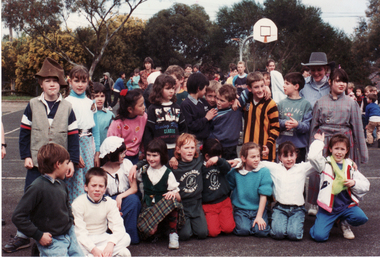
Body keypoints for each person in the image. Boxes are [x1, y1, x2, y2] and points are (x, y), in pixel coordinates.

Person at [3, 57, 80, 253]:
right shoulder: (32, 104)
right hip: (36, 164)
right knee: (30, 197)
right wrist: (26, 155)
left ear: (61, 84)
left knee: (56, 200)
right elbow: (24, 133)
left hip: (58, 165)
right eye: (47, 80)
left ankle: (53, 237)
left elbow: (73, 137)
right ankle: (23, 236)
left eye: (55, 80)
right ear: (41, 84)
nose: (51, 84)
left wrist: (70, 160)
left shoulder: (68, 107)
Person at [309, 68, 368, 223]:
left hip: (345, 142)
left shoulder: (351, 103)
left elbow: (358, 129)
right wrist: (313, 146)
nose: (341, 84)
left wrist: (363, 154)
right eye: (338, 81)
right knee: (323, 174)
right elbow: (313, 128)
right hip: (325, 141)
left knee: (344, 176)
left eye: (344, 81)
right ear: (330, 82)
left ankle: (344, 216)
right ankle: (319, 205)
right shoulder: (320, 102)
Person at [12, 143, 83, 256]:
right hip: (51, 241)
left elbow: (67, 205)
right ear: (57, 164)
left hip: (69, 234)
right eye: (66, 163)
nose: (68, 166)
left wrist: (70, 220)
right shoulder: (37, 187)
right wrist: (38, 235)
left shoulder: (61, 184)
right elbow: (18, 216)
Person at [260, 138, 325, 240]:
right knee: (278, 234)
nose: (289, 159)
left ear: (296, 155)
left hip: (297, 209)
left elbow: (318, 163)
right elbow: (256, 163)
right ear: (280, 157)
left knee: (294, 235)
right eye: (285, 156)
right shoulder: (275, 168)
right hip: (280, 208)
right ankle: (278, 221)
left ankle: (292, 224)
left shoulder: (302, 168)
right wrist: (237, 161)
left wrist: (318, 142)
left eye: (291, 155)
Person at [308, 133, 369, 242]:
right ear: (330, 149)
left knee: (361, 218)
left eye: (342, 149)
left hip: (346, 206)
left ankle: (342, 221)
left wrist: (354, 183)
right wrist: (319, 142)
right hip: (328, 209)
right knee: (319, 237)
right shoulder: (324, 164)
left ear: (347, 151)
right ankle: (325, 222)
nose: (339, 152)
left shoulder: (350, 165)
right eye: (336, 148)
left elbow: (366, 185)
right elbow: (312, 157)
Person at [136, 138, 185, 249]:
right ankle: (159, 230)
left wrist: (172, 193)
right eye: (148, 155)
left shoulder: (167, 172)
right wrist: (136, 166)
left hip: (164, 206)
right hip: (149, 207)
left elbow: (178, 197)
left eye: (155, 155)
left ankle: (173, 233)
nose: (151, 159)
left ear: (162, 155)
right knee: (147, 231)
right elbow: (134, 179)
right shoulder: (143, 170)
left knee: (172, 200)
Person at [72, 167, 131, 256]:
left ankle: (98, 255)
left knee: (126, 238)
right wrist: (93, 249)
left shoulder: (110, 202)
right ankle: (102, 254)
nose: (97, 189)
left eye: (101, 186)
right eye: (93, 185)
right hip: (86, 240)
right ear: (86, 187)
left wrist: (111, 244)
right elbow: (80, 233)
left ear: (105, 189)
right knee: (75, 244)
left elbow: (118, 227)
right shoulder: (78, 203)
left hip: (103, 237)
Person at [65, 65, 101, 203]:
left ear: (88, 82)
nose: (80, 85)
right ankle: (73, 212)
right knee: (74, 180)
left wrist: (97, 151)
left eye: (83, 81)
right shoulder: (66, 102)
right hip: (73, 145)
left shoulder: (91, 103)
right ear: (70, 81)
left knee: (88, 179)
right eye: (76, 81)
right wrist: (73, 153)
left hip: (88, 146)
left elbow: (95, 129)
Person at [99, 136, 141, 244]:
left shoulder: (126, 164)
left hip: (126, 197)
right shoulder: (101, 171)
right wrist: (112, 202)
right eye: (121, 153)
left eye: (124, 152)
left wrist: (120, 196)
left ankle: (131, 235)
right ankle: (114, 235)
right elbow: (102, 195)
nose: (124, 155)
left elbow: (134, 188)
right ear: (111, 154)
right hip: (109, 200)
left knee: (134, 200)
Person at [226, 142, 273, 237]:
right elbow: (227, 188)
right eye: (253, 157)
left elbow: (264, 195)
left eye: (258, 156)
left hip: (258, 209)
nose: (256, 160)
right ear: (243, 158)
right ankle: (247, 223)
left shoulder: (264, 171)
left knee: (261, 232)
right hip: (241, 209)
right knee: (243, 231)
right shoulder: (236, 172)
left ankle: (264, 216)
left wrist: (259, 216)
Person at [170, 133, 208, 240]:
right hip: (183, 205)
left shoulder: (199, 161)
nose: (190, 151)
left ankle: (194, 223)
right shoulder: (175, 165)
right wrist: (172, 159)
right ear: (178, 150)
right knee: (185, 235)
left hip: (196, 203)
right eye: (186, 148)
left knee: (202, 233)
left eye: (192, 148)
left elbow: (213, 154)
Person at [143, 74, 187, 159]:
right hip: (159, 149)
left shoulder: (177, 107)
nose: (171, 91)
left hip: (175, 148)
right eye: (168, 88)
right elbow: (149, 132)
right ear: (159, 89)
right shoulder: (153, 108)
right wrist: (148, 150)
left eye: (173, 88)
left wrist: (181, 146)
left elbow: (183, 129)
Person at [239, 72, 280, 161]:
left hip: (265, 152)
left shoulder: (271, 104)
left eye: (262, 86)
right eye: (256, 87)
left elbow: (275, 128)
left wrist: (268, 145)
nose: (260, 90)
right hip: (248, 151)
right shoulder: (246, 102)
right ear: (249, 88)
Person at [201, 138, 235, 237]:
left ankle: (222, 220)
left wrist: (218, 160)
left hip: (223, 201)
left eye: (220, 156)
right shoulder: (201, 166)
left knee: (229, 228)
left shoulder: (220, 163)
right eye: (217, 156)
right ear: (207, 156)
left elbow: (227, 167)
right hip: (209, 204)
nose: (219, 158)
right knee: (213, 232)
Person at [277, 72, 312, 162]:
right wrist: (284, 123)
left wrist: (297, 125)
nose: (283, 86)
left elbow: (307, 126)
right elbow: (275, 122)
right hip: (283, 145)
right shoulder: (281, 104)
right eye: (284, 83)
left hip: (299, 147)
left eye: (287, 84)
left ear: (296, 86)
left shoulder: (306, 105)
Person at [107, 89, 147, 164]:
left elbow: (145, 135)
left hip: (137, 156)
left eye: (143, 103)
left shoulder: (143, 117)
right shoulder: (117, 123)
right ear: (130, 109)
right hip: (121, 158)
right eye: (141, 105)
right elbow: (111, 142)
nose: (144, 107)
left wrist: (144, 152)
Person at [180, 73, 217, 145]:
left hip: (206, 140)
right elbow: (190, 126)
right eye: (205, 89)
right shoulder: (186, 104)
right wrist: (206, 118)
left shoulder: (203, 102)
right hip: (195, 142)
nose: (205, 92)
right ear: (199, 88)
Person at [209, 84, 242, 160]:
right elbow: (210, 128)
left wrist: (237, 99)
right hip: (217, 145)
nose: (218, 102)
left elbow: (247, 92)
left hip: (232, 146)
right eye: (217, 98)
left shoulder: (237, 108)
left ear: (231, 101)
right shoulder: (214, 112)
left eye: (222, 100)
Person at [93, 82, 115, 146]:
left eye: (102, 96)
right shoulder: (87, 114)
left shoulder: (110, 115)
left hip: (105, 150)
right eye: (96, 96)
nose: (100, 99)